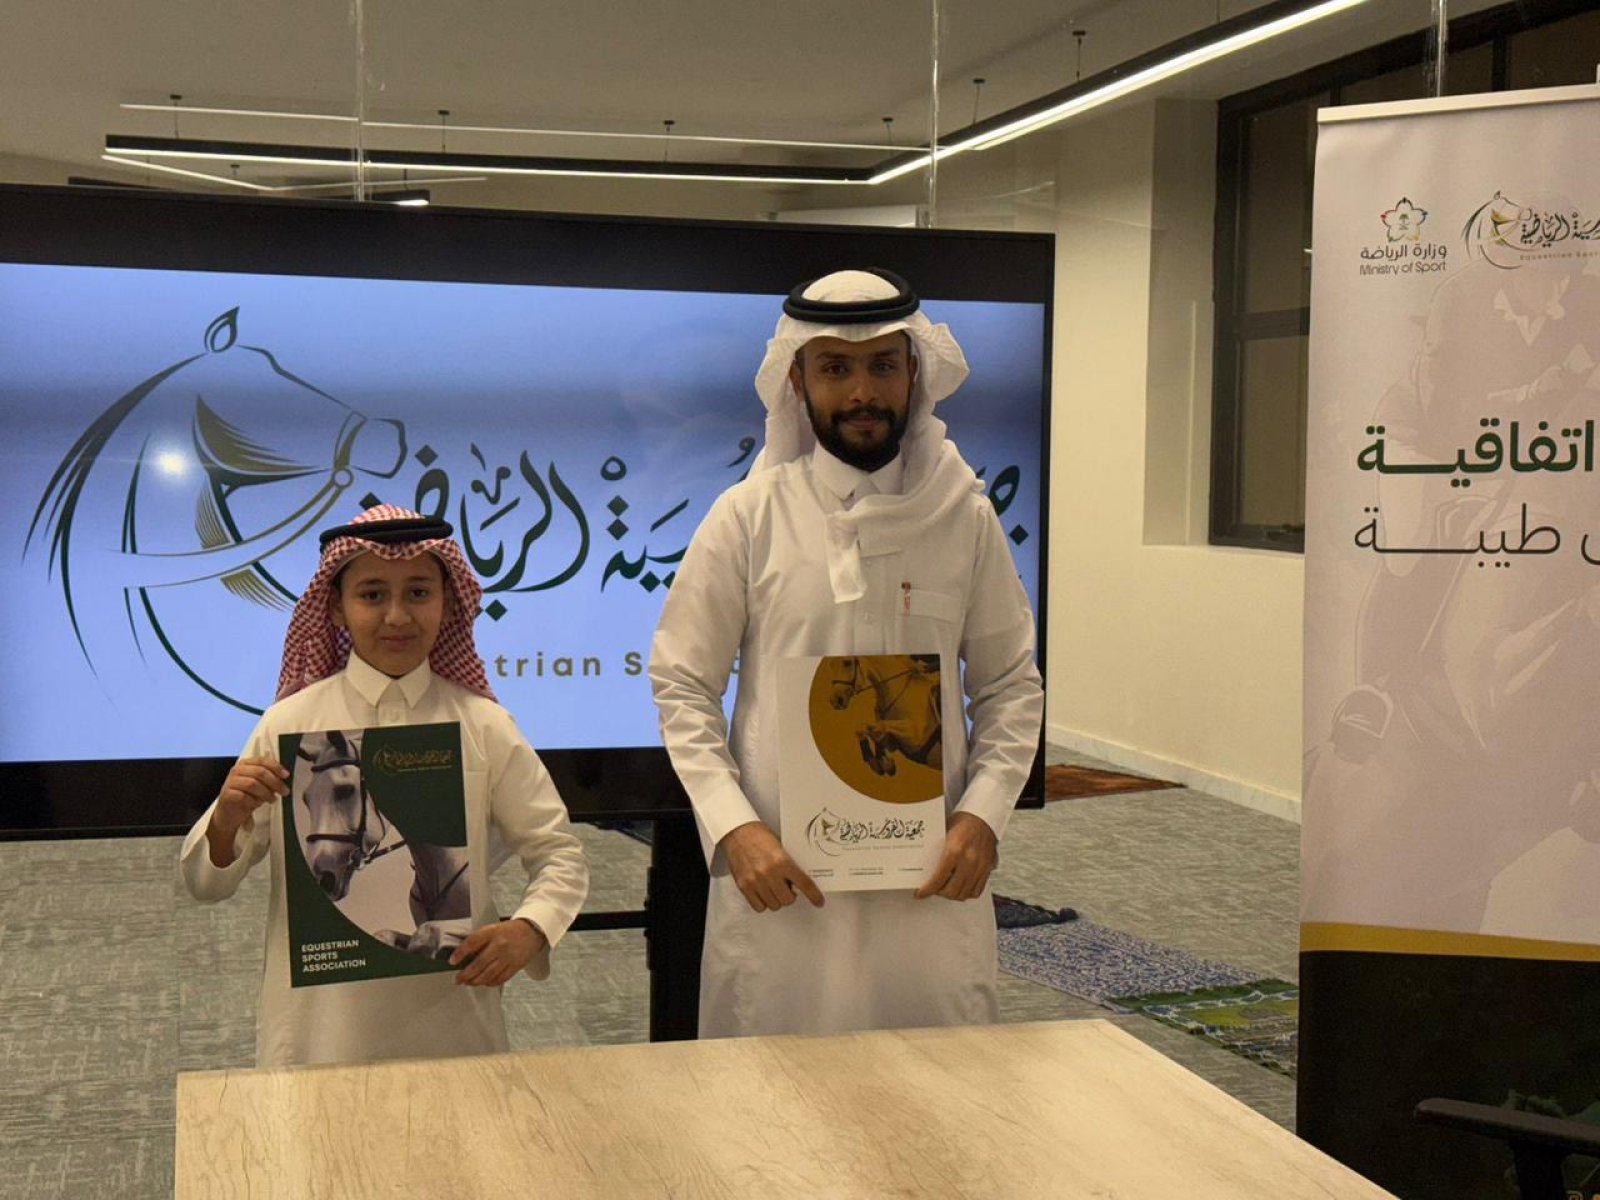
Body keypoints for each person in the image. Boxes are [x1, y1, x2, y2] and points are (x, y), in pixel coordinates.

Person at [649, 268, 1044, 1037]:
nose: (862, 391)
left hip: (928, 885)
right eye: (835, 368)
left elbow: (1008, 685)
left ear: (914, 374)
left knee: (936, 1090)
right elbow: (682, 684)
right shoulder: (748, 517)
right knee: (776, 1093)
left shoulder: (965, 517)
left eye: (882, 366)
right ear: (797, 382)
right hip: (783, 882)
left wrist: (983, 817)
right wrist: (736, 829)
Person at [180, 504, 589, 1067]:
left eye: (418, 593)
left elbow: (559, 854)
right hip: (320, 1033)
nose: (397, 616)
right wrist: (226, 819)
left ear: (448, 603)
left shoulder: (485, 726)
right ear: (337, 608)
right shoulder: (288, 724)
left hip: (453, 1024)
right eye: (372, 594)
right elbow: (208, 884)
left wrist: (531, 927)